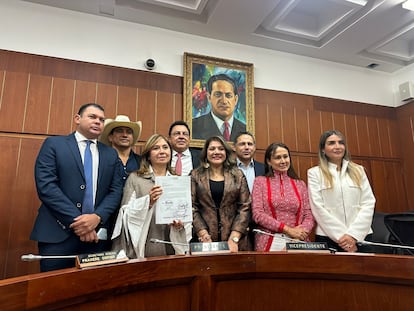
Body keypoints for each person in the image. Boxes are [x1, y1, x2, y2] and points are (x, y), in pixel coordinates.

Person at [30, 103, 123, 272]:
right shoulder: (54, 144)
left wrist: (97, 217)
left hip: (97, 237)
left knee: (92, 290)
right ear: (77, 119)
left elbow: (115, 191)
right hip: (57, 234)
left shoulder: (110, 154)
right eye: (92, 117)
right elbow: (47, 187)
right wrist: (80, 223)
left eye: (101, 120)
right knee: (54, 288)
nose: (98, 122)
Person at [112, 134, 188, 258]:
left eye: (165, 147)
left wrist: (180, 224)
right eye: (156, 148)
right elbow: (124, 214)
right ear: (148, 154)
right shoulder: (136, 178)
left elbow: (185, 213)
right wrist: (148, 202)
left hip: (171, 243)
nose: (162, 151)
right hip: (145, 244)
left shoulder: (177, 180)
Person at [307, 130, 375, 253]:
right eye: (331, 143)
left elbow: (368, 203)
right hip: (328, 237)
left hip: (360, 236)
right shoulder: (314, 173)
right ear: (323, 149)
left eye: (341, 143)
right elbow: (317, 207)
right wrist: (343, 239)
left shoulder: (359, 170)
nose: (337, 146)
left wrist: (353, 235)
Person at [191, 135, 252, 252]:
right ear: (206, 153)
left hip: (235, 241)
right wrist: (203, 233)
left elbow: (245, 207)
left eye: (220, 148)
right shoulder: (195, 175)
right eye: (212, 149)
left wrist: (234, 237)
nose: (216, 152)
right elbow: (192, 207)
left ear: (226, 152)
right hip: (204, 239)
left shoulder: (238, 175)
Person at [252, 142, 315, 251]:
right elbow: (258, 214)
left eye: (285, 157)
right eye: (278, 158)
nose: (283, 161)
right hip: (269, 240)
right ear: (269, 161)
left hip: (298, 241)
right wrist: (288, 230)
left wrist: (298, 235)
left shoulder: (300, 184)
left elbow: (308, 214)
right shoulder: (260, 182)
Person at [192, 74, 246, 141]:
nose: (224, 101)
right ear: (209, 97)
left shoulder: (245, 130)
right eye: (218, 95)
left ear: (235, 99)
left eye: (228, 95)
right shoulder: (193, 126)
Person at [99, 115, 142, 185]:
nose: (125, 135)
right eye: (119, 131)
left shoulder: (141, 161)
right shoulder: (101, 159)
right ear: (110, 137)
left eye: (129, 132)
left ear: (132, 138)